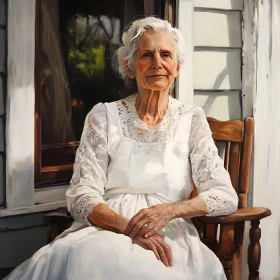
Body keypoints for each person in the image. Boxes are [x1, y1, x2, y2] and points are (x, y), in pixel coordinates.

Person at [5, 16, 238, 280]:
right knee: (91, 261)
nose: (157, 64)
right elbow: (82, 194)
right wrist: (127, 227)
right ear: (129, 68)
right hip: (106, 228)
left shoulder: (191, 119)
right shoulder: (104, 116)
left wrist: (171, 211)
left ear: (177, 66)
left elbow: (224, 195)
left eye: (165, 55)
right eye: (146, 55)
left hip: (168, 232)